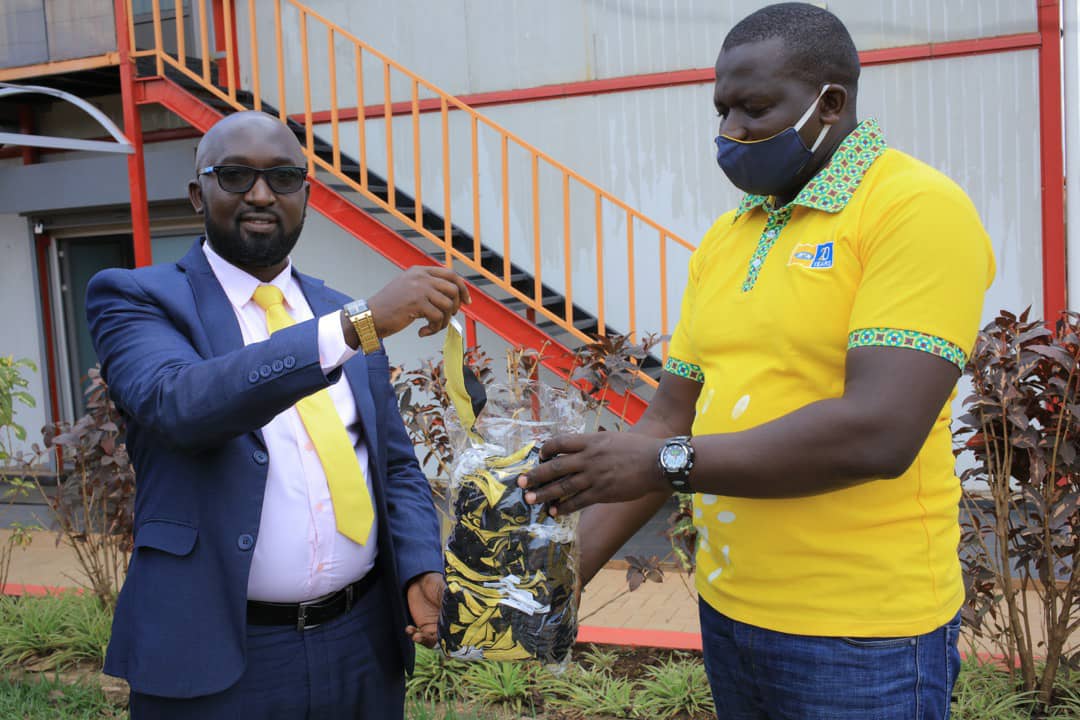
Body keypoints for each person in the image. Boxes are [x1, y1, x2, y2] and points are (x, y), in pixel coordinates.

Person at [520, 4, 995, 718]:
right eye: (722, 110)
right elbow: (669, 417)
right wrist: (554, 581)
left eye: (755, 108)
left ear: (830, 103)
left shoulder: (914, 210)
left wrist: (661, 463)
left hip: (861, 640)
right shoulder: (728, 236)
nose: (731, 132)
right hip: (730, 616)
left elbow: (881, 431)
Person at [87, 110, 470, 719]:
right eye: (235, 175)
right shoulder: (137, 298)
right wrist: (355, 327)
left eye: (283, 177)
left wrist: (418, 565)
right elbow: (180, 403)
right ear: (196, 194)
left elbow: (393, 466)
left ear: (306, 196)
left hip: (364, 644)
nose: (261, 194)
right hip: (218, 658)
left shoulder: (336, 309)